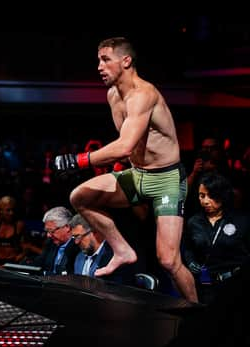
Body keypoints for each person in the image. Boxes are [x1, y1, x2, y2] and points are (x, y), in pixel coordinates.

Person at [53, 37, 197, 302]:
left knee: (168, 260)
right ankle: (122, 251)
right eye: (98, 60)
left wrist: (79, 160)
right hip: (138, 174)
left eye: (105, 59)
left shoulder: (144, 94)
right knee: (79, 197)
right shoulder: (112, 95)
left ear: (126, 61)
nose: (99, 66)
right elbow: (130, 148)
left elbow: (125, 145)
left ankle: (201, 316)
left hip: (166, 179)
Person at [182, 172, 250, 304]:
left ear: (222, 196)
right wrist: (190, 262)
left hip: (234, 285)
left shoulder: (241, 220)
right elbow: (188, 248)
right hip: (205, 286)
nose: (205, 201)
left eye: (211, 196)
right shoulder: (194, 222)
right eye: (201, 196)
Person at [69, 214, 133, 284]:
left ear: (95, 232)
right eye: (74, 237)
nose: (76, 242)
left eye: (78, 237)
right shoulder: (79, 257)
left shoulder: (114, 258)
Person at [32, 206, 78, 275]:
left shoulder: (77, 246)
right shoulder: (51, 243)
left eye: (51, 231)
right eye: (47, 231)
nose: (48, 235)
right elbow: (37, 264)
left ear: (67, 227)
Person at [0, 195, 26, 265]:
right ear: (0, 210)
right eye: (8, 210)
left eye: (12, 210)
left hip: (13, 261)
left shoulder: (18, 224)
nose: (11, 213)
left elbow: (26, 245)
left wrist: (22, 255)